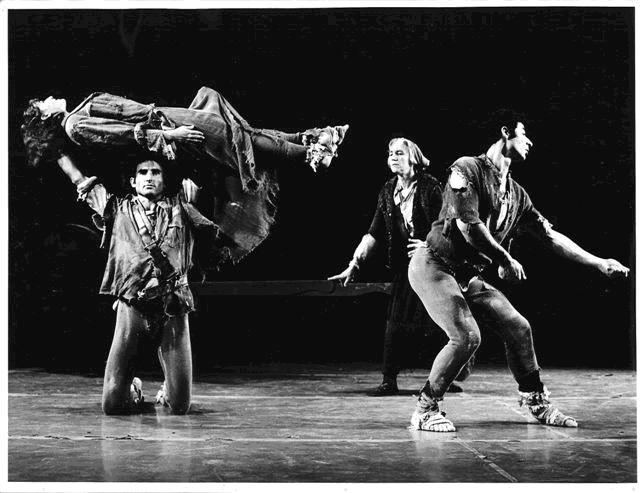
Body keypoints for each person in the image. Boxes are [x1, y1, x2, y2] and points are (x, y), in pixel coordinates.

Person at [407, 110, 629, 432]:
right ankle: (426, 409)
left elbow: (550, 237)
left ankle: (535, 400)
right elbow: (469, 228)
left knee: (518, 326)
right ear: (505, 133)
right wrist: (505, 259)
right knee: (467, 336)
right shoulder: (466, 168)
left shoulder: (516, 194)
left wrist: (598, 262)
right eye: (524, 134)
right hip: (434, 265)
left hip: (466, 275)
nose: (529, 142)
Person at [22, 86, 349, 267]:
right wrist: (172, 135)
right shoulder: (76, 125)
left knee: (233, 128)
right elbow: (127, 132)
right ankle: (310, 152)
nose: (51, 98)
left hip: (165, 118)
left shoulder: (76, 117)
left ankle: (312, 139)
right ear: (46, 115)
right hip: (166, 125)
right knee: (231, 137)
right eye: (44, 102)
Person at [55, 153, 214, 414]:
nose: (149, 177)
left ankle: (168, 390)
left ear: (164, 181)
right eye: (143, 173)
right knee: (112, 406)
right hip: (133, 304)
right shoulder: (117, 207)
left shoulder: (183, 206)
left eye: (156, 172)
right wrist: (57, 151)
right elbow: (79, 179)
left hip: (173, 303)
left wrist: (196, 193)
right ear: (132, 181)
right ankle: (133, 389)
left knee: (180, 407)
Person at [329, 138, 474, 396]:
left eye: (399, 153)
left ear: (413, 158)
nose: (393, 157)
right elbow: (373, 232)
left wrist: (427, 245)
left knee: (439, 323)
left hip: (431, 264)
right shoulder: (387, 190)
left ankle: (446, 377)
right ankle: (389, 380)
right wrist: (354, 263)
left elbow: (445, 224)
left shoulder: (430, 187)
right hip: (402, 267)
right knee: (395, 321)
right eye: (390, 154)